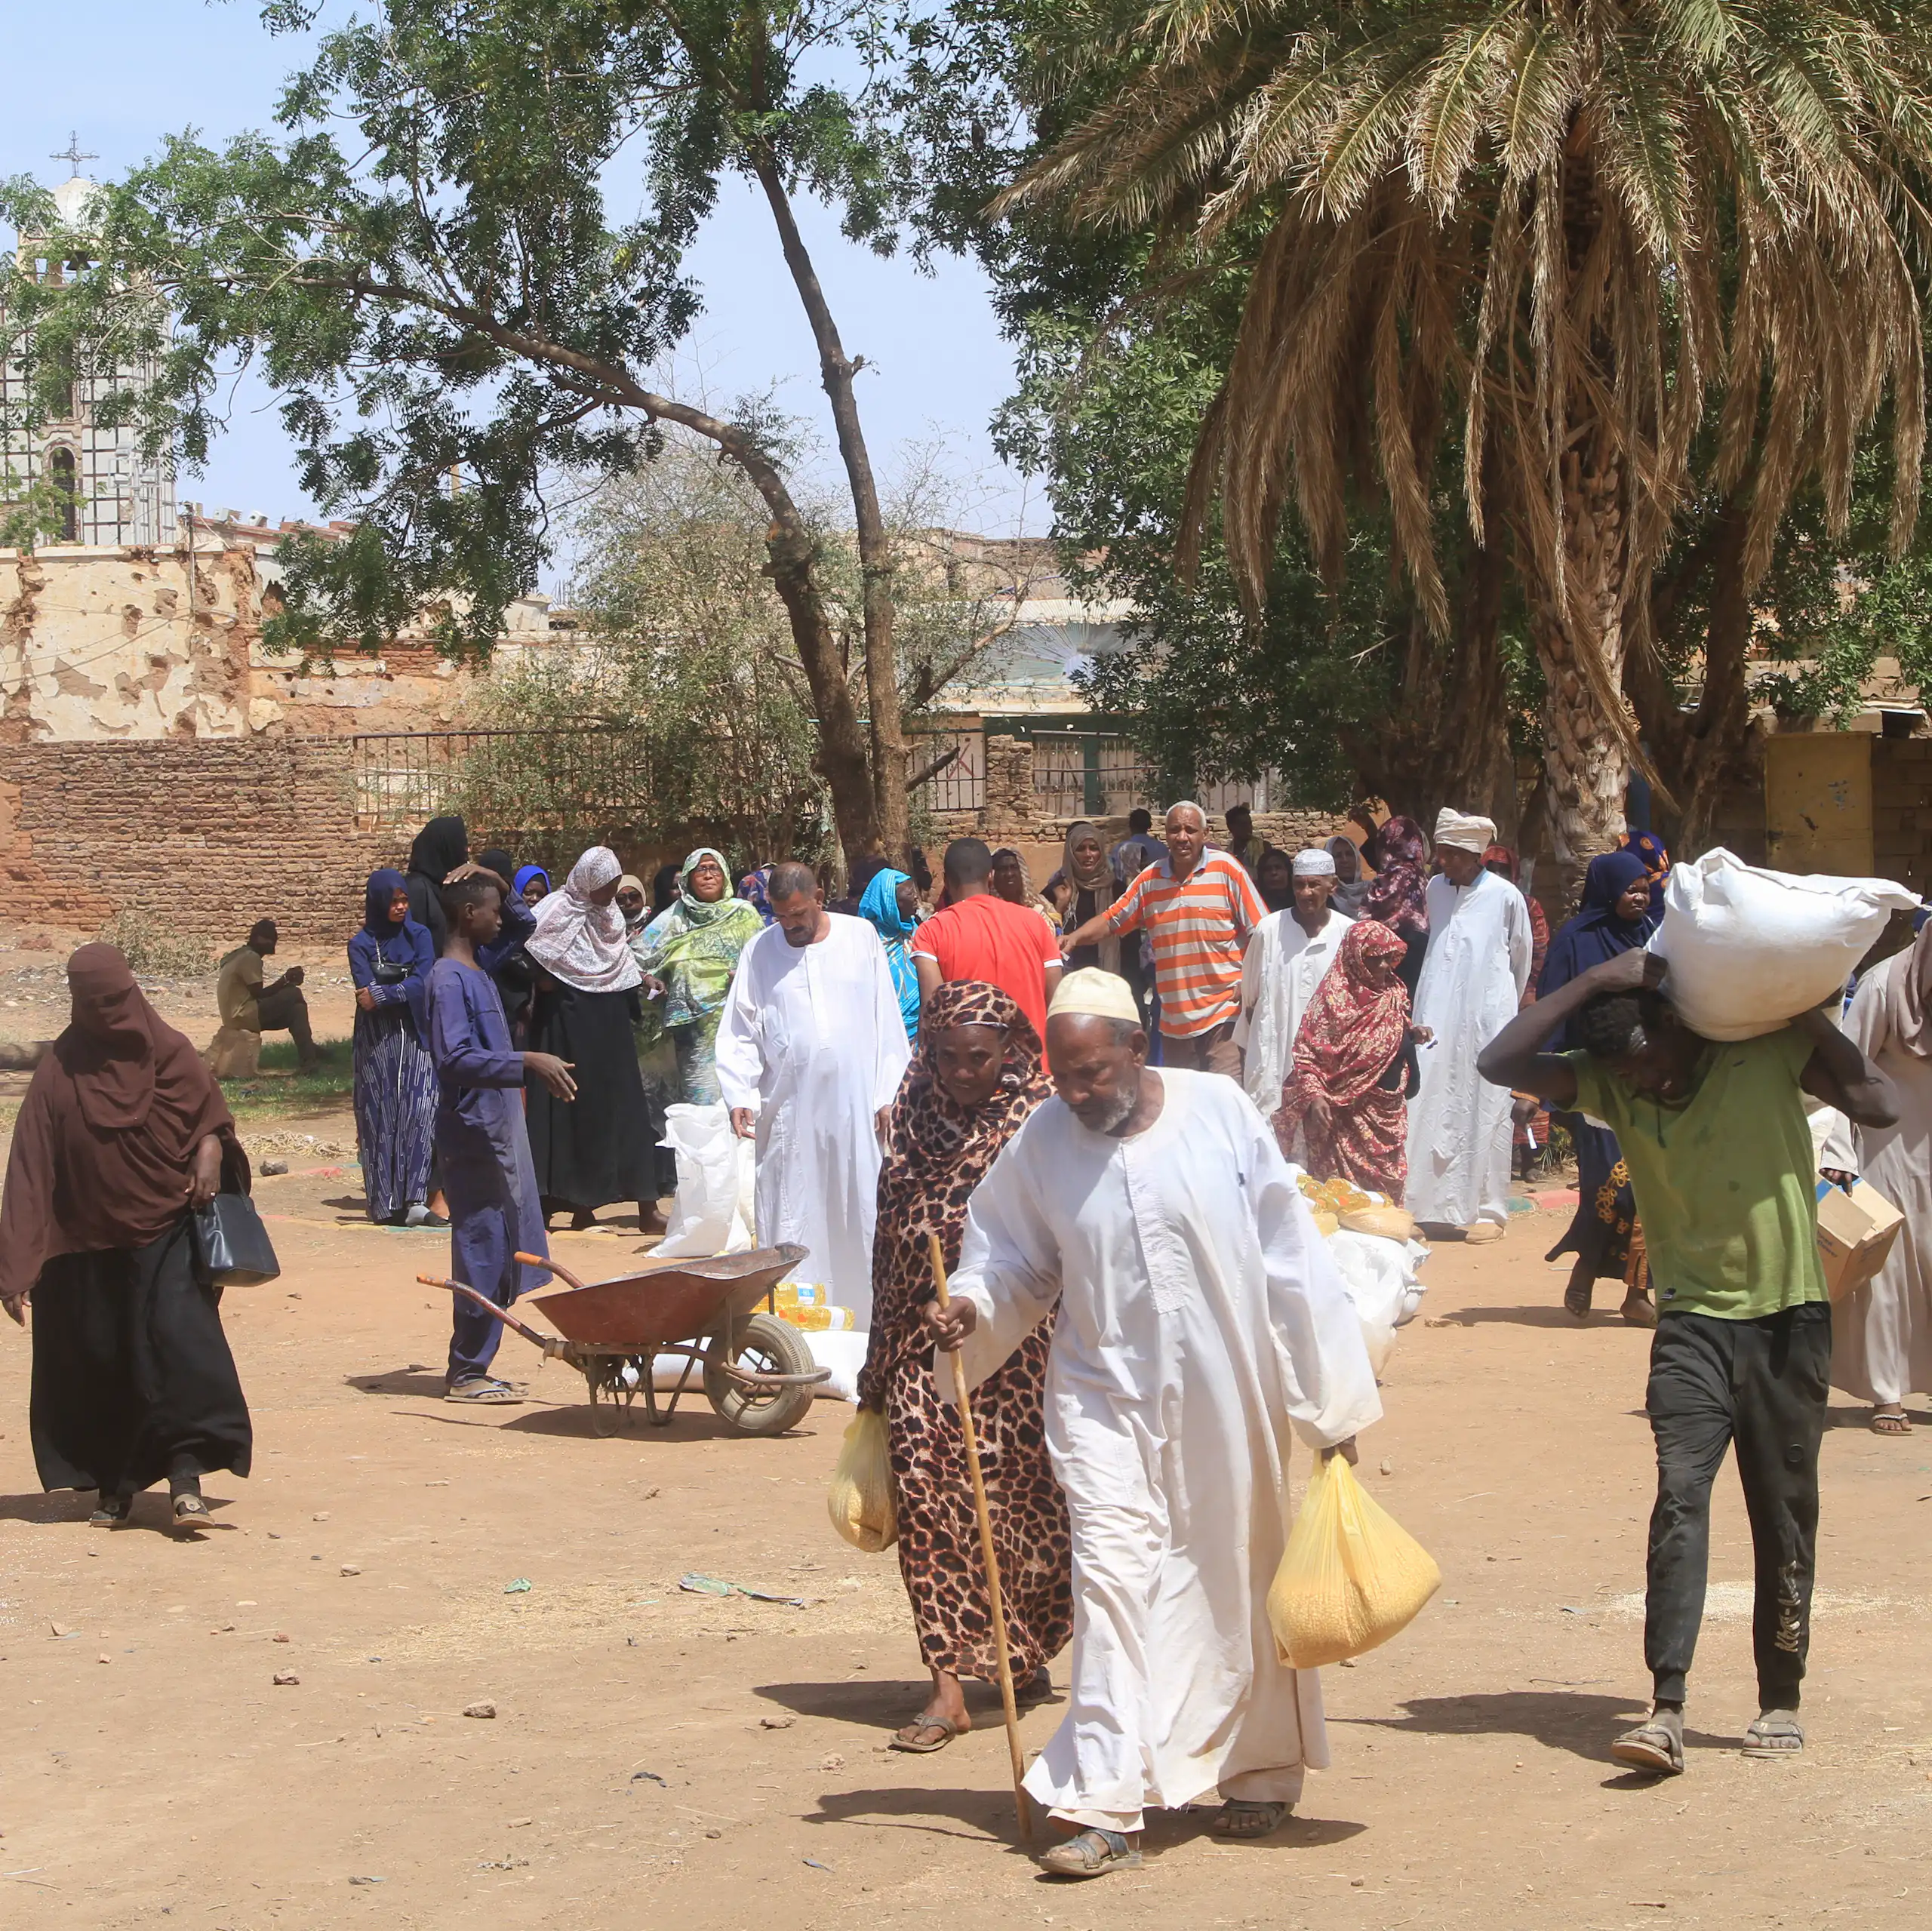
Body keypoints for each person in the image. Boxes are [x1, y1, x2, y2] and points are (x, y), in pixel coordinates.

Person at [927, 969, 1381, 1875]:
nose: (1077, 1092)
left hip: (1227, 1393)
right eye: (1062, 1075)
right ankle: (1105, 1802)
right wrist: (972, 1309)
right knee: (1111, 1580)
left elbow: (1289, 1258)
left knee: (1235, 1572)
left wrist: (1329, 1404)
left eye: (1094, 1071)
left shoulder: (1218, 1112)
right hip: (1102, 1396)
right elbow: (1010, 1259)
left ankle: (1257, 1769)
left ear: (1138, 1049)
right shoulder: (1043, 1139)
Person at [1479, 949, 1896, 1775]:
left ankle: (1779, 1695)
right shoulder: (1608, 1081)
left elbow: (1874, 1103)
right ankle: (1666, 1706)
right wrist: (1599, 980)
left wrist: (1802, 1006)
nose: (1645, 1086)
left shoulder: (1758, 1051)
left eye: (1652, 1065)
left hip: (1788, 1320)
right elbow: (1498, 1062)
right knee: (1679, 1498)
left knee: (1782, 1515)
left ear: (1677, 1027)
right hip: (1691, 1325)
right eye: (1627, 1077)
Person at [858, 981, 1071, 1751]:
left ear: (1009, 1052)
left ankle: (1022, 1648)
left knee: (1019, 1506)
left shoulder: (1043, 1123)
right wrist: (879, 1365)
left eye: (977, 1058)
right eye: (945, 1057)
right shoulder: (912, 1119)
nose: (961, 1073)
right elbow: (888, 1244)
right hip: (924, 1344)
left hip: (1020, 1347)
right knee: (927, 1503)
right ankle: (947, 1684)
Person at [0, 944, 253, 1530]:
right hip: (86, 1244)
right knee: (105, 1362)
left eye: (117, 999)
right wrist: (16, 1266)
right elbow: (31, 1166)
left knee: (179, 1348)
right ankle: (116, 1486)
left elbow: (210, 1118)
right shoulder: (60, 1070)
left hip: (166, 1227)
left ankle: (186, 1478)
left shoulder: (168, 1052)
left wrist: (210, 1152)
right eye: (96, 1004)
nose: (110, 1013)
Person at [715, 862, 912, 1320]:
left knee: (859, 1207)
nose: (791, 925)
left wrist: (890, 1093)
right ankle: (796, 1324)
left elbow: (887, 1020)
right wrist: (740, 1093)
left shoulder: (860, 937)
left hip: (857, 1109)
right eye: (781, 916)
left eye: (798, 914)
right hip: (789, 1113)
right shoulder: (760, 951)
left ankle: (868, 1318)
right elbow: (740, 1029)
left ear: (819, 896)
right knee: (793, 1207)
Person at [426, 874, 577, 1402]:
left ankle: (476, 1363)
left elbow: (524, 922)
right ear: (468, 914)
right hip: (473, 1128)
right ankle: (467, 1371)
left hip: (499, 1123)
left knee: (504, 1238)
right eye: (489, 908)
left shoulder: (480, 967)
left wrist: (492, 880)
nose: (499, 917)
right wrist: (527, 1060)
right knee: (482, 1244)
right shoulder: (447, 979)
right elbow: (454, 1058)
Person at [1538, 851, 1663, 1324]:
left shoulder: (1656, 936)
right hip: (1595, 1080)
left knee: (1650, 1188)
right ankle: (1588, 1266)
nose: (1639, 897)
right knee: (1611, 1186)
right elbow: (1553, 1006)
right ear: (1607, 890)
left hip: (1650, 1075)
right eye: (1630, 889)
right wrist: (1541, 1082)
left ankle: (1636, 1293)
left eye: (1644, 889)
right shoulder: (1576, 940)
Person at [1820, 918, 1932, 1434]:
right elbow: (1847, 1066)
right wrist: (1839, 1144)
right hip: (1887, 1148)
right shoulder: (1888, 983)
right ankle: (1887, 1393)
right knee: (1888, 1275)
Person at [1059, 802, 1266, 1078]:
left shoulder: (1227, 870)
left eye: (1190, 830)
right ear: (1165, 835)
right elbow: (1112, 920)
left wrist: (1248, 983)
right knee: (1184, 1108)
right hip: (1174, 1025)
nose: (1182, 837)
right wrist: (1074, 938)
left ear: (1204, 834)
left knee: (1225, 1102)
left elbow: (1261, 931)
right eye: (1175, 830)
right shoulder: (1150, 879)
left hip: (1224, 1016)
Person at [1404, 810, 1532, 1241]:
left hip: (1487, 1015)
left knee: (1486, 1101)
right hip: (1436, 1011)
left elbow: (1521, 958)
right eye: (1441, 853)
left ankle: (1487, 1212)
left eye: (1454, 855)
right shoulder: (1435, 889)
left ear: (1475, 855)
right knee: (1427, 1099)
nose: (1444, 863)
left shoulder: (1505, 896)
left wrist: (1498, 1010)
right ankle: (1421, 1204)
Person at [524, 847, 657, 1232]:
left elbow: (620, 959)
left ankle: (645, 1207)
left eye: (616, 885)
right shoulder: (555, 909)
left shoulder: (610, 914)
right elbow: (528, 952)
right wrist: (544, 979)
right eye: (606, 886)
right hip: (565, 1024)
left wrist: (643, 980)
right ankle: (562, 1205)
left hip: (610, 1023)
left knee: (624, 1109)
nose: (612, 893)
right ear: (586, 881)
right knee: (566, 1111)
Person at [1276, 921, 1423, 1195]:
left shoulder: (1394, 991)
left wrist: (1413, 1032)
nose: (1383, 967)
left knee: (1388, 1186)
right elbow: (1307, 1056)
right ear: (1355, 959)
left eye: (1387, 958)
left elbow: (1393, 1028)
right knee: (1346, 1197)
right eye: (1373, 960)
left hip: (1387, 1111)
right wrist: (1315, 1095)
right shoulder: (1331, 1002)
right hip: (1344, 1119)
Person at [631, 847, 767, 1104]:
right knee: (701, 1102)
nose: (708, 875)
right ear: (688, 879)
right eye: (700, 869)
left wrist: (744, 976)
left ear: (725, 875)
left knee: (740, 1096)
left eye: (714, 868)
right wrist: (650, 980)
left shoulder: (744, 914)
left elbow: (764, 962)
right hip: (693, 1035)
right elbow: (634, 958)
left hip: (738, 1023)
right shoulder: (673, 918)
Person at [1235, 848, 1352, 1136]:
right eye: (1300, 884)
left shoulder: (1349, 933)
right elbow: (1250, 999)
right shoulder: (1269, 930)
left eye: (1314, 884)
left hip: (1329, 1066)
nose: (1306, 892)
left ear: (1332, 886)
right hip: (1275, 1060)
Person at [348, 869, 440, 1228]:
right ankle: (385, 1203)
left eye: (404, 900)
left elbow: (424, 981)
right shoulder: (360, 943)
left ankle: (416, 1198)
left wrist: (387, 992)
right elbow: (363, 993)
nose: (401, 907)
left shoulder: (420, 936)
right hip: (377, 1042)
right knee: (380, 1114)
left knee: (419, 1110)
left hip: (416, 1035)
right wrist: (401, 987)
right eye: (394, 901)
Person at [912, 838, 1064, 1052]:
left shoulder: (931, 932)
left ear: (946, 881)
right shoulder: (1035, 922)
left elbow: (934, 1014)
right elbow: (1057, 1002)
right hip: (1034, 1070)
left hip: (971, 1075)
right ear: (991, 875)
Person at [216, 920, 317, 1070]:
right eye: (272, 939)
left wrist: (285, 982)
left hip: (234, 1015)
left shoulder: (240, 954)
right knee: (294, 993)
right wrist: (286, 980)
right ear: (261, 939)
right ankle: (310, 1054)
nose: (274, 943)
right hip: (242, 1015)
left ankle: (310, 1056)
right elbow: (258, 994)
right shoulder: (251, 957)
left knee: (297, 1010)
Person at [1360, 814, 1431, 999]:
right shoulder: (1425, 879)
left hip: (1385, 963)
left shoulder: (1388, 879)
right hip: (1421, 961)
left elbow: (1366, 920)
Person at [1044, 821, 1125, 977]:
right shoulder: (1056, 891)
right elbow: (1044, 937)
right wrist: (1059, 908)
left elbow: (1130, 943)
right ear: (1071, 853)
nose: (1088, 855)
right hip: (1069, 980)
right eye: (1081, 849)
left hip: (1109, 980)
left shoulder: (1118, 890)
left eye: (1094, 848)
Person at [858, 866, 923, 1044]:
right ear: (890, 902)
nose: (916, 897)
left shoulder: (917, 931)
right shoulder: (868, 940)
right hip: (884, 1031)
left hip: (920, 1030)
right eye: (909, 893)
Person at [405, 816, 469, 953]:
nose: (466, 850)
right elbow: (413, 946)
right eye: (461, 844)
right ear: (444, 846)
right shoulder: (417, 888)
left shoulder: (445, 885)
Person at [992, 847, 1059, 933]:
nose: (1009, 874)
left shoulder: (1040, 904)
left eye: (1014, 867)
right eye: (1002, 869)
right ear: (994, 875)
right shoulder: (991, 913)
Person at [1327, 836, 1371, 917]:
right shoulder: (1325, 897)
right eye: (1338, 856)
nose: (1344, 860)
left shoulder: (1372, 890)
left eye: (1349, 854)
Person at [1223, 802, 1265, 874]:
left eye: (1250, 823)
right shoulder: (1227, 855)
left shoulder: (1263, 847)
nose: (1249, 828)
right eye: (1243, 824)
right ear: (1231, 828)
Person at [1254, 846, 1294, 914]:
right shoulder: (1256, 903)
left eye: (1278, 868)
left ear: (1288, 871)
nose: (1273, 873)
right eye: (1268, 869)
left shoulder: (1299, 902)